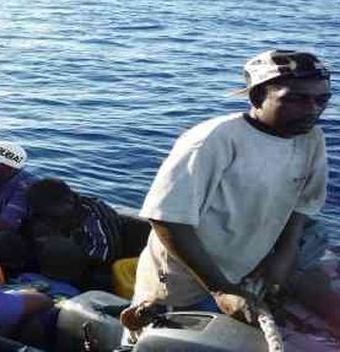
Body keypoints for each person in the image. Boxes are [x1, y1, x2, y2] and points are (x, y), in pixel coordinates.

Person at [129, 49, 331, 322]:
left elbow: (300, 207)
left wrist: (281, 260)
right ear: (258, 96)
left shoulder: (310, 139)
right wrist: (219, 289)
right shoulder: (212, 140)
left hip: (242, 276)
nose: (313, 110)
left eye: (322, 100)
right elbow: (167, 219)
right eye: (296, 99)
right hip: (181, 290)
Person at [25, 178, 122, 286]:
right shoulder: (45, 211)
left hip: (94, 271)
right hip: (54, 263)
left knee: (58, 246)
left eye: (52, 215)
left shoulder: (96, 217)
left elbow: (104, 256)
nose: (47, 218)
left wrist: (58, 245)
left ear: (68, 201)